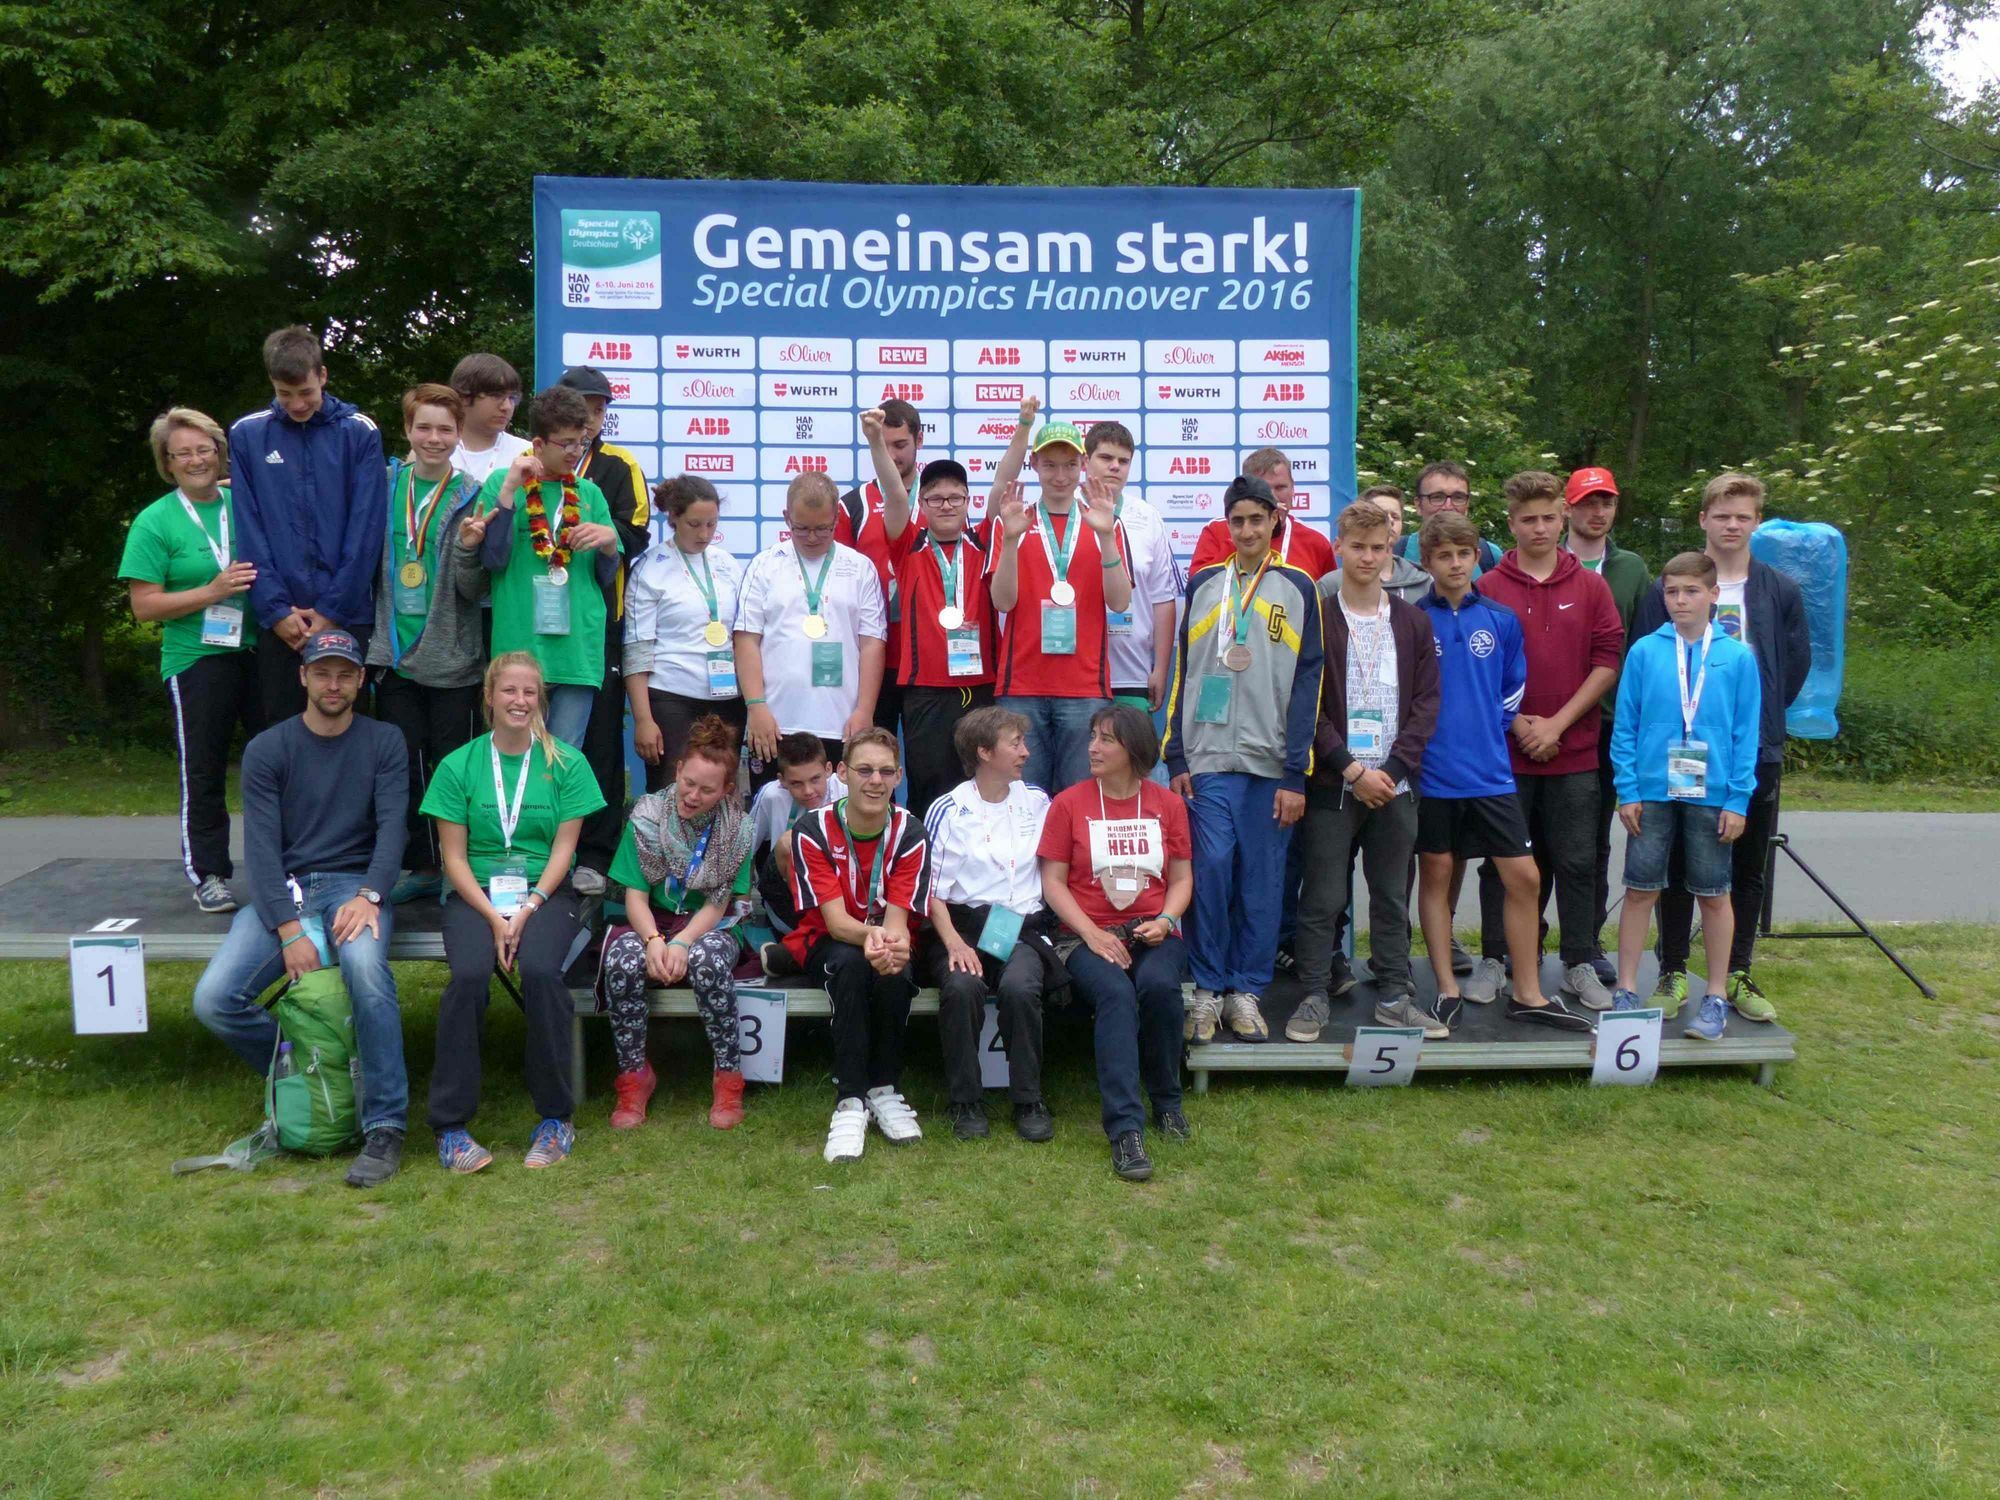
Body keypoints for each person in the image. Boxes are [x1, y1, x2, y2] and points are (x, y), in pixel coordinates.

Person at [189, 629, 409, 1188]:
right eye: (322, 673)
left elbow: (393, 832)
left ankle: (385, 1125)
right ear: (303, 677)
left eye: (345, 675)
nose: (333, 685)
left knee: (366, 971)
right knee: (215, 1000)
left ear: (360, 680)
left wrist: (370, 895)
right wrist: (289, 930)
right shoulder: (268, 749)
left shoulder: (384, 741)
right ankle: (319, 1069)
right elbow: (261, 850)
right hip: (284, 890)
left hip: (355, 887)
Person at [1631, 472, 1809, 1021]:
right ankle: (1672, 969)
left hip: (1750, 749)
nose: (1732, 525)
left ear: (1757, 522)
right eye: (1723, 515)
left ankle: (1736, 972)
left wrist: (1758, 719)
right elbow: (1648, 659)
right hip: (1675, 753)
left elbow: (1795, 663)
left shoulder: (1779, 589)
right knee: (1677, 862)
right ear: (1703, 519)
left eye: (1743, 516)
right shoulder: (1673, 584)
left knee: (1745, 867)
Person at [422, 652, 606, 1172]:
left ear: (540, 700)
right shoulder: (458, 765)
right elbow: (454, 859)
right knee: (468, 976)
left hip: (544, 893)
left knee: (543, 972)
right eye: (509, 690)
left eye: (529, 692)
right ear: (489, 697)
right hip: (475, 894)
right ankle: (451, 1127)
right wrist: (492, 917)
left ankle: (556, 1118)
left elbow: (564, 850)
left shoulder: (567, 763)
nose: (520, 701)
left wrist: (526, 909)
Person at [1412, 515, 1593, 1033]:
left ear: (1476, 557)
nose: (1454, 564)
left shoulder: (1500, 619)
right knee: (1438, 873)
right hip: (1434, 773)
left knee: (1524, 877)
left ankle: (1528, 993)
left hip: (1491, 771)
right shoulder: (1412, 620)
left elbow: (1513, 686)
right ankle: (1446, 988)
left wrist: (1489, 726)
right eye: (1443, 555)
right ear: (1427, 562)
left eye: (1463, 554)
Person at [1164, 474, 1323, 1046]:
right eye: (1238, 521)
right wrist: (1176, 753)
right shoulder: (1205, 583)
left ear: (1275, 520)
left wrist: (1295, 771)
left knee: (1261, 879)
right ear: (1226, 525)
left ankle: (1247, 991)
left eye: (1258, 519)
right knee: (1208, 872)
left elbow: (1308, 684)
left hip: (1269, 764)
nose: (1248, 530)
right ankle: (1207, 989)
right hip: (1207, 759)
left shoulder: (1299, 587)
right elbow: (1185, 670)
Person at [1470, 472, 1625, 1013]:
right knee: (1502, 863)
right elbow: (1478, 673)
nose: (1539, 528)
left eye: (1548, 518)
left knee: (1578, 861)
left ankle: (1578, 961)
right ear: (1511, 524)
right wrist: (1519, 724)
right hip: (1505, 756)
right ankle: (1497, 958)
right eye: (1528, 519)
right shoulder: (1489, 588)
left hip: (1574, 752)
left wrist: (1556, 725)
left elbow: (1607, 660)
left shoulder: (1592, 586)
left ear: (1563, 519)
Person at [1289, 502, 1441, 1042]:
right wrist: (1352, 769)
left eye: (1379, 548)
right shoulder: (1317, 617)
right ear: (1339, 547)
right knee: (1324, 895)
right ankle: (1313, 993)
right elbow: (1306, 706)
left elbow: (1426, 704)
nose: (1368, 557)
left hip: (1396, 784)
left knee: (1391, 895)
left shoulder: (1413, 621)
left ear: (1391, 551)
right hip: (1336, 781)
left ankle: (1395, 995)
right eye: (1358, 547)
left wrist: (1392, 770)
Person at [1610, 552, 1762, 1041]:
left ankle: (1715, 995)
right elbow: (1625, 725)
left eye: (1692, 591)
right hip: (1651, 791)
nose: (1680, 600)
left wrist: (1738, 799)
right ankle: (1626, 990)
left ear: (1714, 595)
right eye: (1672, 591)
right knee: (1640, 889)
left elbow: (1746, 734)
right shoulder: (1645, 651)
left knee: (1714, 894)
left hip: (1713, 794)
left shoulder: (1737, 657)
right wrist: (1627, 789)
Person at [1038, 704, 1193, 1183]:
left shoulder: (1167, 804)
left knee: (1160, 987)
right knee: (1116, 994)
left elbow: (1182, 879)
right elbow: (1053, 883)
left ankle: (1167, 1101)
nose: (1093, 747)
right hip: (1084, 935)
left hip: (1153, 930)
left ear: (1134, 749)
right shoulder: (1068, 803)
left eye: (1106, 739)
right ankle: (1126, 1129)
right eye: (1092, 737)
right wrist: (1091, 932)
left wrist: (1166, 920)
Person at [121, 408, 263, 913]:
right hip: (197, 658)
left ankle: (287, 866)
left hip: (260, 651)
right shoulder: (155, 520)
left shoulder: (244, 503)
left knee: (277, 763)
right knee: (204, 769)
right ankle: (209, 875)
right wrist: (212, 591)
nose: (196, 460)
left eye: (205, 449)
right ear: (167, 462)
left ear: (220, 454)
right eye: (183, 453)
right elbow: (144, 606)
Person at [599, 715, 757, 1131]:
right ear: (678, 770)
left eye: (707, 790)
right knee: (621, 960)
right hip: (652, 920)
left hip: (711, 925)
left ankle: (728, 1076)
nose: (693, 795)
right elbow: (635, 896)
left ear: (726, 790)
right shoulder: (647, 816)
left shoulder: (738, 830)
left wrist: (682, 942)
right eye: (689, 783)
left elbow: (719, 905)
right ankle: (634, 1075)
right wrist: (654, 939)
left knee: (708, 960)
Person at [365, 383, 489, 905]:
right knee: (405, 767)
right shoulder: (382, 485)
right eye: (424, 427)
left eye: (445, 429)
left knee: (455, 767)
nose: (434, 438)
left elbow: (474, 589)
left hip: (453, 658)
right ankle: (421, 863)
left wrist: (468, 550)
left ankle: (461, 868)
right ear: (407, 429)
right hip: (393, 654)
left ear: (459, 433)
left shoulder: (474, 494)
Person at [786, 729, 934, 1163]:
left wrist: (890, 944)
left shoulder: (911, 831)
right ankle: (850, 1100)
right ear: (842, 772)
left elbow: (898, 923)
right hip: (829, 939)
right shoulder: (812, 829)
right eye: (865, 770)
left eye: (886, 772)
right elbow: (835, 924)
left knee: (895, 967)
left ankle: (884, 1089)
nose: (875, 781)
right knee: (850, 964)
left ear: (899, 776)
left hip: (884, 934)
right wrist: (875, 938)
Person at [229, 325, 388, 724]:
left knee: (345, 726)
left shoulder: (359, 432)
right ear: (272, 383)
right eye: (285, 394)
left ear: (323, 376)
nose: (297, 404)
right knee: (282, 729)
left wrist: (332, 610)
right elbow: (249, 527)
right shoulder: (248, 434)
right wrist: (276, 611)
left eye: (305, 392)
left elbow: (366, 530)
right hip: (281, 621)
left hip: (346, 613)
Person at [922, 707, 1057, 1143]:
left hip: (1021, 928)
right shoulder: (949, 809)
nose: (1026, 752)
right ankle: (965, 1100)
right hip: (960, 927)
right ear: (983, 752)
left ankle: (1029, 1099)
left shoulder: (1037, 800)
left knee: (1019, 987)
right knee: (962, 987)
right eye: (1015, 743)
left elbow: (1055, 872)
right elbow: (930, 891)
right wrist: (954, 944)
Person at [987, 402, 1134, 794]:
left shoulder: (1106, 522)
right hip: (1021, 687)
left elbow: (1120, 602)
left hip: (1084, 688)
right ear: (1034, 464)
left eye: (1069, 465)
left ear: (1083, 465)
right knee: (1023, 801)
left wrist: (1106, 537)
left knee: (1078, 801)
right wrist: (1011, 541)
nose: (1060, 476)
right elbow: (1002, 602)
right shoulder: (1012, 520)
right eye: (1050, 465)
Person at [474, 384, 624, 748]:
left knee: (562, 760)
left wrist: (608, 544)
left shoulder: (590, 494)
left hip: (576, 652)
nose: (576, 451)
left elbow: (605, 578)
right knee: (514, 754)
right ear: (538, 444)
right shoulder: (502, 484)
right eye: (566, 443)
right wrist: (508, 492)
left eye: (581, 442)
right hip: (519, 652)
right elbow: (492, 560)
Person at [558, 365, 654, 897]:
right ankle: (536, 849)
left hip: (600, 623)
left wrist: (606, 533)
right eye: (584, 408)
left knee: (598, 742)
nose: (592, 419)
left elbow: (636, 531)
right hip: (537, 625)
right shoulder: (533, 462)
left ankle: (595, 852)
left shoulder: (620, 465)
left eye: (599, 410)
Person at [735, 472, 887, 788]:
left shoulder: (860, 568)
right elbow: (747, 639)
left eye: (823, 528)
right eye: (801, 528)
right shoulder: (765, 565)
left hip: (843, 724)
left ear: (837, 520)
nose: (813, 537)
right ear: (786, 518)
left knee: (841, 814)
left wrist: (864, 710)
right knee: (774, 812)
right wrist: (756, 705)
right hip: (775, 724)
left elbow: (872, 643)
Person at [1562, 466, 1652, 983]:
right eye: (1588, 503)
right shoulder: (1546, 559)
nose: (1598, 513)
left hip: (1609, 721)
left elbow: (1642, 647)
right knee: (1532, 841)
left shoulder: (1631, 568)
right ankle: (1518, 944)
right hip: (1546, 722)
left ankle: (1587, 941)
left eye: (1607, 503)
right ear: (1568, 509)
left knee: (1592, 841)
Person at [875, 455, 997, 819]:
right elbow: (894, 493)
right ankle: (926, 851)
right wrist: (875, 440)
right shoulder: (908, 544)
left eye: (955, 497)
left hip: (980, 686)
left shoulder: (983, 540)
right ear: (922, 504)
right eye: (935, 498)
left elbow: (1002, 480)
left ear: (968, 501)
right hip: (925, 689)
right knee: (928, 787)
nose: (946, 505)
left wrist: (1023, 428)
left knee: (982, 783)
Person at [624, 474, 747, 793]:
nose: (704, 534)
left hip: (728, 699)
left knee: (722, 791)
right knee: (674, 790)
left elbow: (743, 635)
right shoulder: (650, 567)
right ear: (674, 517)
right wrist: (643, 719)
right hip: (671, 697)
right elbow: (636, 648)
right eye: (694, 524)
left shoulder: (727, 564)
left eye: (712, 524)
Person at [1084, 422, 1182, 716]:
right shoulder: (1065, 511)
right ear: (1086, 461)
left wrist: (1160, 668)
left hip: (1133, 671)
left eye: (1123, 461)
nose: (1115, 466)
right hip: (1075, 675)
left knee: (1130, 748)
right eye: (1106, 458)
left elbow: (1162, 599)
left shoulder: (1147, 516)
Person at [837, 398, 919, 739]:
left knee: (928, 760)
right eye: (883, 446)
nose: (892, 455)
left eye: (900, 445)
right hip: (871, 661)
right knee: (870, 756)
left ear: (919, 440)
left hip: (924, 660)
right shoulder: (852, 505)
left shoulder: (941, 500)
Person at [748, 734, 845, 964]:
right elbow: (745, 849)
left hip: (838, 894)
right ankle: (808, 936)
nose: (808, 791)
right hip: (785, 896)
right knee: (792, 840)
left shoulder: (846, 791)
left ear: (828, 769)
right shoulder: (771, 795)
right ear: (781, 780)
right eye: (796, 784)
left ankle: (804, 947)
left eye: (815, 779)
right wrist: (742, 903)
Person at [1187, 448, 1338, 579]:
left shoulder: (1315, 543)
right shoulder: (1217, 531)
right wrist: (1239, 541)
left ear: (1293, 489)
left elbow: (1326, 596)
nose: (1273, 497)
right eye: (1264, 489)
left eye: (1280, 487)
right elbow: (1198, 588)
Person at [1396, 461, 1502, 578]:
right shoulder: (1396, 552)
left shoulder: (1490, 556)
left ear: (1467, 504)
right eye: (1437, 497)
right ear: (1418, 505)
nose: (1448, 506)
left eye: (1458, 497)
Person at [448, 352, 530, 487]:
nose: (507, 407)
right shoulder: (434, 449)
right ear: (463, 397)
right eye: (496, 396)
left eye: (512, 398)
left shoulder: (528, 454)